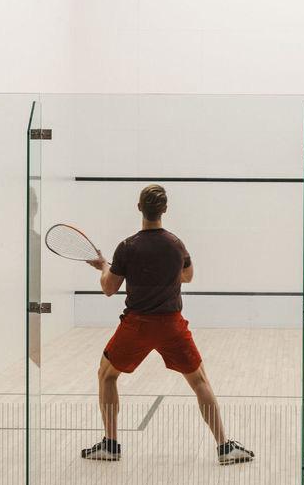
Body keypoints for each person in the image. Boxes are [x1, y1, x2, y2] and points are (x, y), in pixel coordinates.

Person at [82, 184, 254, 466]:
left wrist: (103, 265)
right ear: (165, 210)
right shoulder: (176, 244)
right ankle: (224, 446)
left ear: (139, 208)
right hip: (172, 326)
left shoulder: (127, 246)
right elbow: (188, 277)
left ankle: (111, 444)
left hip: (136, 325)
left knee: (106, 375)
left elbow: (109, 288)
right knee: (200, 381)